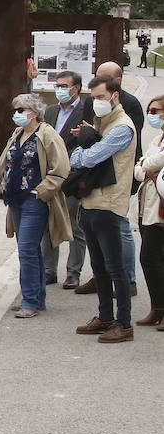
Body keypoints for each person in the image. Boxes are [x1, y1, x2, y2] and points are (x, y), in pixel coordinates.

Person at [69, 75, 138, 342]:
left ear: (115, 96)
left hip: (109, 203)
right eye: (94, 98)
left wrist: (83, 144)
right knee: (98, 266)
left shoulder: (121, 127)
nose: (96, 102)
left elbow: (87, 158)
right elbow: (86, 154)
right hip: (92, 201)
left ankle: (124, 323)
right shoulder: (103, 123)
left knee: (115, 267)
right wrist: (88, 140)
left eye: (100, 97)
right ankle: (105, 316)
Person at [0, 94, 71, 318]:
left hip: (34, 200)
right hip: (16, 200)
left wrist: (41, 191)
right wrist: (5, 183)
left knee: (27, 249)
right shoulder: (18, 133)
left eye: (22, 109)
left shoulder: (47, 134)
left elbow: (61, 168)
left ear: (35, 112)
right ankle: (36, 297)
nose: (17, 113)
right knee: (30, 250)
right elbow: (9, 162)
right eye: (16, 109)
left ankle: (29, 299)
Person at [77, 61, 143, 296]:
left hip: (119, 174)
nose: (97, 97)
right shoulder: (92, 102)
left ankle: (129, 280)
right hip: (95, 177)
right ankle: (99, 276)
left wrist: (89, 145)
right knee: (96, 234)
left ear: (118, 83)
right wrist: (88, 142)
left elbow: (105, 145)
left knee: (121, 228)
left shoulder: (130, 106)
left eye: (104, 79)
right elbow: (88, 135)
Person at [41, 71, 91, 288]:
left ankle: (73, 272)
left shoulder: (85, 111)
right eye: (57, 85)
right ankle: (49, 270)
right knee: (47, 224)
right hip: (49, 176)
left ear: (76, 88)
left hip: (72, 177)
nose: (59, 89)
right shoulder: (50, 111)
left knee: (74, 225)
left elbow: (89, 143)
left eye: (64, 86)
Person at [132, 94, 164, 328]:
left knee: (151, 258)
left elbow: (150, 164)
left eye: (156, 111)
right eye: (150, 111)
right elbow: (141, 166)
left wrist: (146, 165)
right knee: (151, 259)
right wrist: (146, 165)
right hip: (148, 207)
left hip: (160, 209)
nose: (151, 115)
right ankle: (157, 308)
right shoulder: (157, 139)